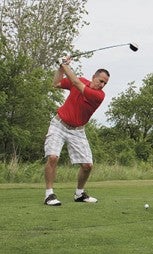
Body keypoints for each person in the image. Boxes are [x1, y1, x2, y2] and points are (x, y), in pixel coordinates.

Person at [43, 57, 110, 206]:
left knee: (87, 166)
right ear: (94, 77)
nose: (102, 85)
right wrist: (61, 68)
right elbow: (56, 83)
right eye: (100, 80)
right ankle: (49, 195)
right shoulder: (81, 80)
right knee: (53, 157)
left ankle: (79, 194)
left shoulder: (99, 96)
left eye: (105, 83)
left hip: (78, 131)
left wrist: (65, 64)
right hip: (58, 125)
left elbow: (76, 83)